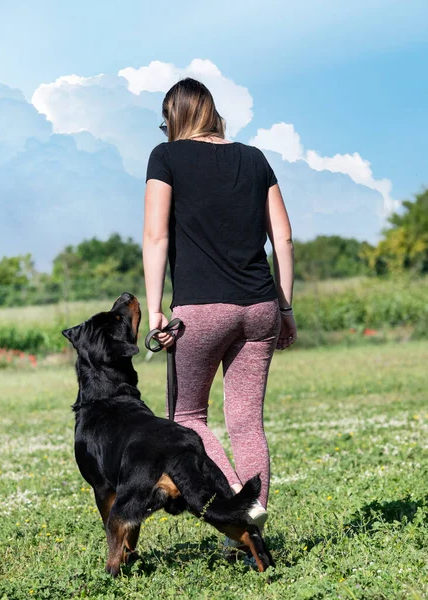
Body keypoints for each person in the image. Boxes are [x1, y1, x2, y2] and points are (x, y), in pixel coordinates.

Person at [143, 77, 296, 548]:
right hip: (260, 307)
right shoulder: (254, 158)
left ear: (173, 117)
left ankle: (238, 509)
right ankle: (249, 526)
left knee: (187, 418)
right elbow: (283, 238)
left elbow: (155, 237)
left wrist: (154, 313)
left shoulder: (164, 157)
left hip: (201, 311)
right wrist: (285, 307)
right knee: (248, 423)